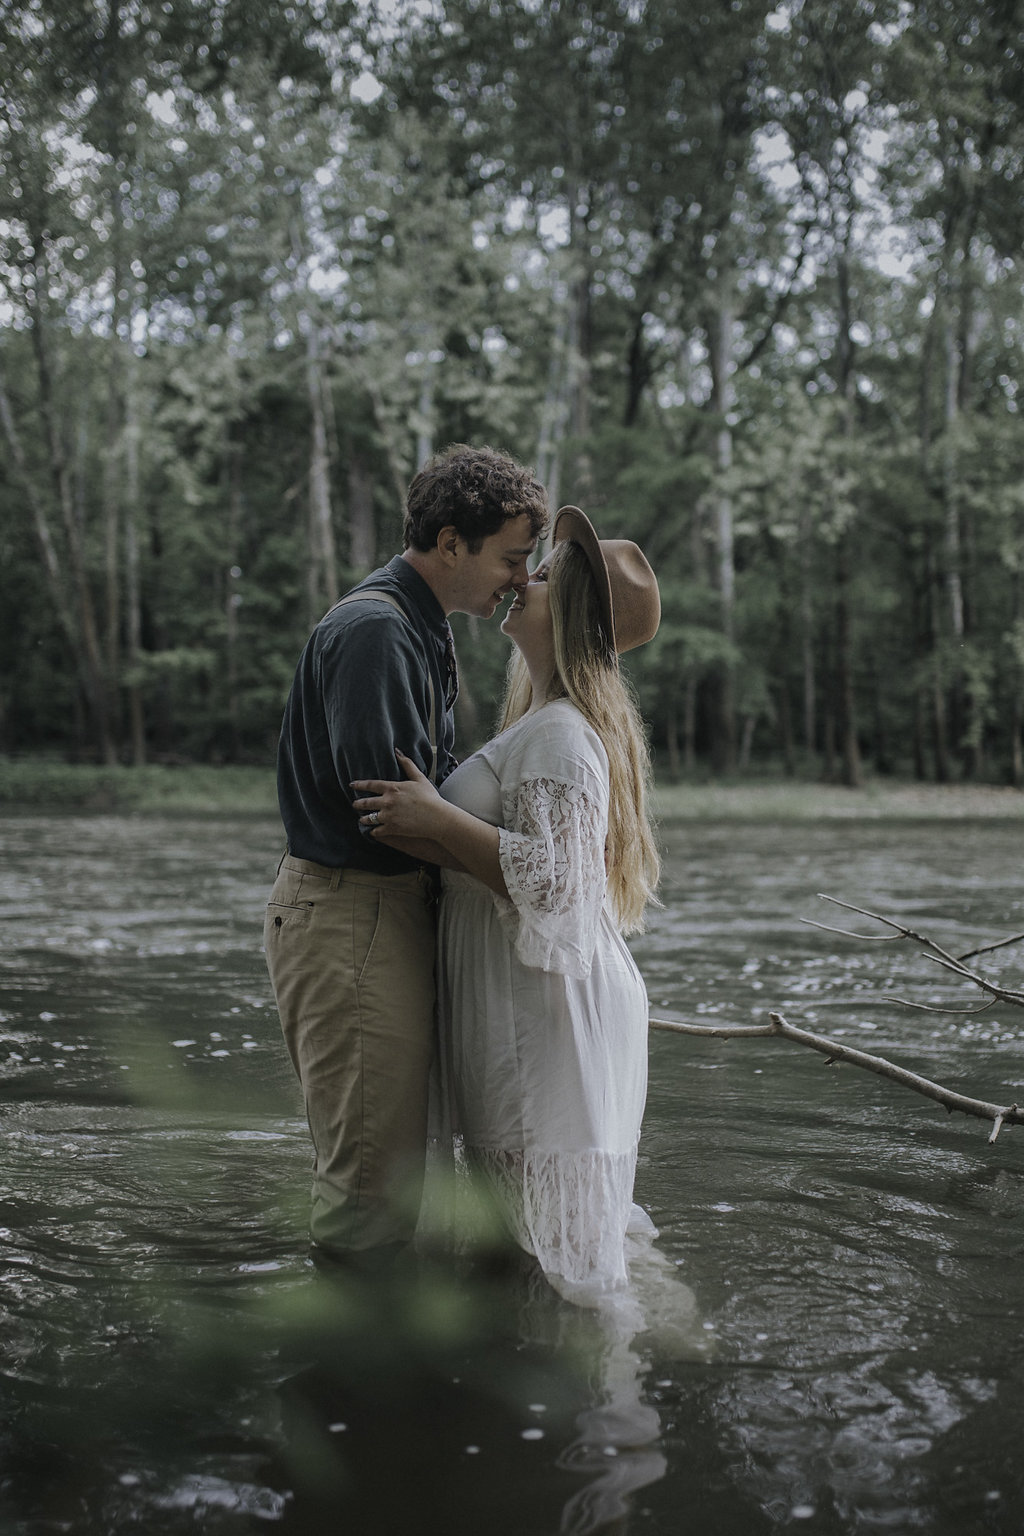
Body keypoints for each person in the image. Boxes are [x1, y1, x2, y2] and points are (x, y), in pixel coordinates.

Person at [351, 506, 662, 1302]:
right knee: (531, 1244)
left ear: (578, 613)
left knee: (554, 1252)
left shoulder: (559, 733)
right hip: (533, 1004)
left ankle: (599, 1405)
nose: (523, 577)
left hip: (547, 1019)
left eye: (547, 573)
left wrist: (436, 818)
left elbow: (562, 888)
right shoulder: (540, 724)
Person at [264, 444, 549, 1267]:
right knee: (369, 1192)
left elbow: (430, 793)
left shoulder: (421, 626)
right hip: (351, 913)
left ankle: (386, 1369)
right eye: (511, 557)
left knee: (399, 1177)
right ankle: (351, 1383)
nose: (520, 581)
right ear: (452, 541)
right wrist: (531, 874)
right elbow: (390, 813)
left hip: (380, 913)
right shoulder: (377, 630)